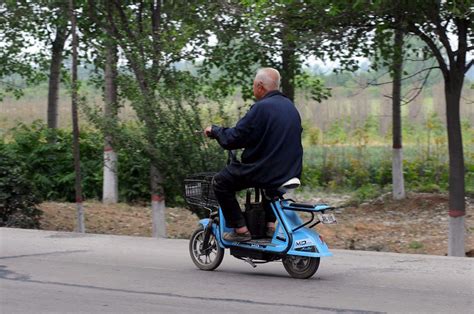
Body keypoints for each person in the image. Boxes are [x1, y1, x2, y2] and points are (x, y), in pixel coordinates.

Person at [204, 68, 303, 242]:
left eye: (253, 85)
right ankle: (270, 225)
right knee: (271, 188)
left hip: (266, 171)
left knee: (221, 182)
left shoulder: (261, 108)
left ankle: (240, 230)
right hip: (290, 170)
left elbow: (235, 138)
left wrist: (216, 131)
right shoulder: (290, 107)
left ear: (260, 86)